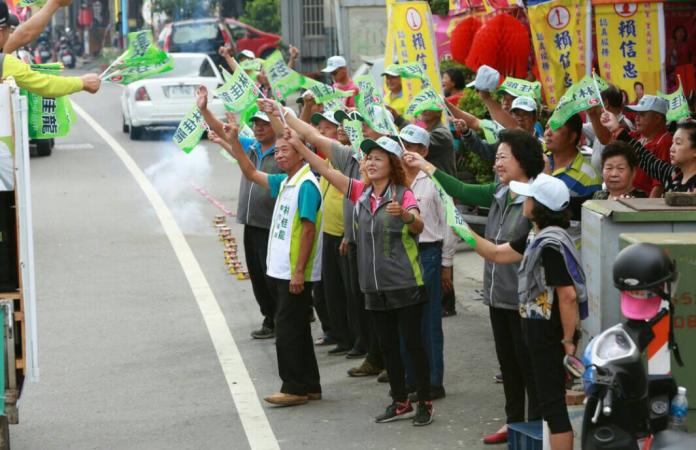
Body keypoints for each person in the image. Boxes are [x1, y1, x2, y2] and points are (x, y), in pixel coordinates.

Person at [404, 129, 545, 444]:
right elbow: (462, 189)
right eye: (495, 157)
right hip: (497, 296)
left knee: (530, 369)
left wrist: (463, 232)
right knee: (508, 367)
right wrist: (425, 166)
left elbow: (504, 250)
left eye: (503, 157)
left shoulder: (537, 199)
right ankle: (513, 423)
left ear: (524, 161)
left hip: (526, 300)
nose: (497, 164)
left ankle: (536, 430)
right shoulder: (498, 191)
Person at [287, 129, 434, 426]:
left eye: (377, 158)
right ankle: (399, 400)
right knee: (388, 346)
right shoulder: (360, 192)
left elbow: (418, 224)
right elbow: (326, 170)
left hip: (404, 283)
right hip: (372, 285)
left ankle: (425, 402)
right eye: (367, 158)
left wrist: (405, 216)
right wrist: (298, 147)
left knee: (413, 345)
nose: (370, 163)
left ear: (392, 163)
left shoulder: (402, 194)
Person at [259, 99, 386, 376]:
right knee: (361, 302)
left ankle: (395, 365)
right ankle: (376, 356)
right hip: (351, 239)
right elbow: (312, 141)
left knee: (384, 309)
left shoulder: (393, 165)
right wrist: (282, 114)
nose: (350, 129)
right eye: (345, 124)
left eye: (360, 124)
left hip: (383, 250)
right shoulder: (350, 156)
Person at [209, 116, 323, 407]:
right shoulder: (286, 181)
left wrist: (299, 271)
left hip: (294, 273)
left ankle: (294, 387)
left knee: (287, 332)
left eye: (286, 150)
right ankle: (309, 385)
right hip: (283, 270)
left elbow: (308, 229)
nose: (280, 155)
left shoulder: (306, 185)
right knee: (296, 329)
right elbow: (250, 173)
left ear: (301, 153)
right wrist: (233, 140)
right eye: (279, 151)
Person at [468, 174, 587, 450]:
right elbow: (497, 253)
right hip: (536, 331)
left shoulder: (550, 244)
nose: (524, 201)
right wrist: (460, 228)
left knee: (554, 407)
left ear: (539, 206)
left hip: (550, 336)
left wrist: (568, 342)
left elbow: (567, 296)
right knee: (548, 403)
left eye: (529, 197)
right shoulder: (536, 235)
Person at [197, 87, 281, 340]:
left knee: (273, 275)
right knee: (256, 274)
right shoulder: (252, 147)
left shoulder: (285, 152)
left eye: (264, 124)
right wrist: (204, 109)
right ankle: (269, 317)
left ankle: (282, 318)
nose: (258, 128)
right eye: (255, 123)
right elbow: (224, 131)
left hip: (273, 225)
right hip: (251, 223)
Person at [399, 124, 457, 402]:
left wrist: (447, 263)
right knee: (404, 320)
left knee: (428, 321)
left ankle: (434, 381)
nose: (406, 151)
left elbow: (450, 224)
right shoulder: (396, 179)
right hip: (400, 255)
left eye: (412, 146)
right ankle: (411, 379)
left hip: (428, 254)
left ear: (424, 150)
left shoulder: (435, 181)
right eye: (403, 145)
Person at [309, 110, 354, 356]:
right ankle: (340, 336)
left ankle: (357, 340)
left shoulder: (352, 159)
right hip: (328, 231)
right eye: (324, 128)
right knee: (330, 290)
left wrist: (349, 233)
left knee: (350, 293)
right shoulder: (329, 157)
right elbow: (306, 142)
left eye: (332, 127)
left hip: (346, 234)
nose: (335, 131)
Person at [0, 1, 100, 97]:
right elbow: (46, 84)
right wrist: (82, 82)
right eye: (10, 31)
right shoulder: (5, 63)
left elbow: (24, 34)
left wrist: (54, 3)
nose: (11, 35)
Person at [602, 113, 696, 193]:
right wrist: (616, 129)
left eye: (678, 143)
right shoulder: (673, 174)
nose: (672, 148)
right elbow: (646, 159)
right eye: (673, 143)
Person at [543, 114, 602, 220]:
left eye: (556, 128)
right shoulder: (539, 160)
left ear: (572, 137)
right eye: (547, 127)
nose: (548, 133)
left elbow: (592, 221)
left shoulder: (590, 176)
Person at [623, 95, 673, 198]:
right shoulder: (637, 135)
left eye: (642, 114)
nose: (636, 118)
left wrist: (648, 211)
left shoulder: (665, 142)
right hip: (628, 197)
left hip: (643, 202)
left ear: (657, 118)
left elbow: (658, 185)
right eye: (636, 114)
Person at [583, 85, 634, 174]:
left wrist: (593, 114)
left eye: (595, 100)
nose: (592, 103)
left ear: (605, 103)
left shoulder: (624, 126)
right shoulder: (602, 123)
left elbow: (606, 139)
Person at [420, 106, 456, 176]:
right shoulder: (428, 131)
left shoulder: (442, 134)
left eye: (428, 108)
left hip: (442, 184)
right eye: (422, 108)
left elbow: (417, 142)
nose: (423, 111)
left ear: (439, 112)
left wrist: (399, 120)